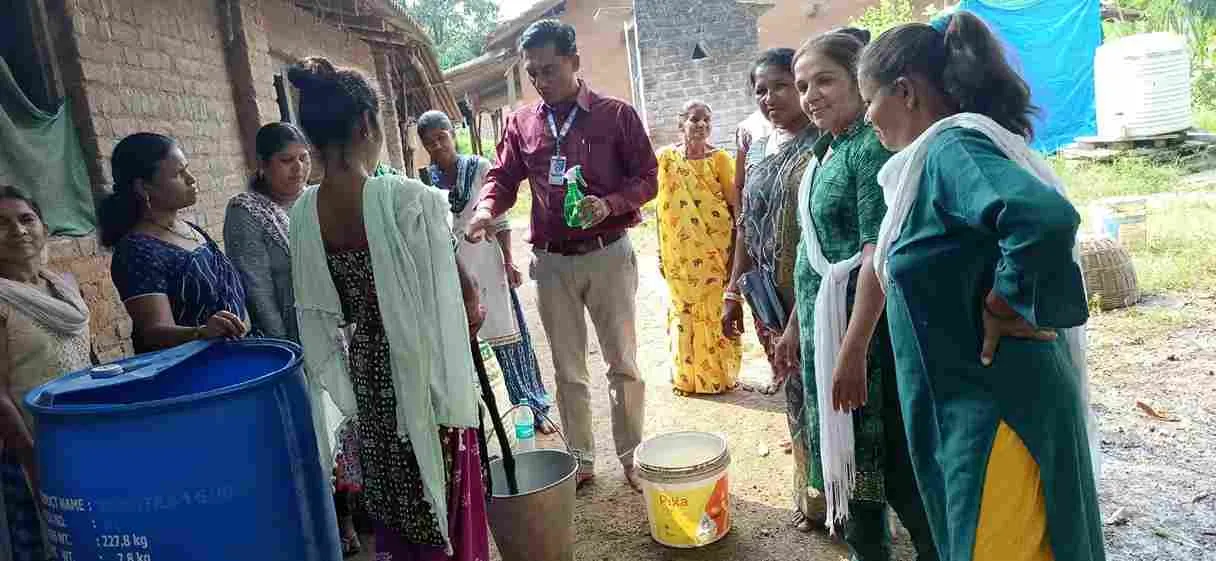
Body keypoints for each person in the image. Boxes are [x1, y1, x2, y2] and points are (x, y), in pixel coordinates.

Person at [859, 12, 1104, 561]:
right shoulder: (927, 165)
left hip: (999, 407)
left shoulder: (952, 149)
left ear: (904, 91)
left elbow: (1041, 218)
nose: (868, 116)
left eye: (869, 98)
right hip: (969, 405)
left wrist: (1003, 299)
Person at [286, 56, 488, 560]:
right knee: (439, 483)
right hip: (423, 367)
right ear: (365, 124)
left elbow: (318, 315)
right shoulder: (407, 200)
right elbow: (459, 299)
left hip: (370, 369)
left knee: (396, 489)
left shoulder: (306, 214)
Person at [465, 19, 656, 490]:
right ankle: (582, 459)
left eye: (549, 69)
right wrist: (486, 210)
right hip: (551, 262)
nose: (540, 81)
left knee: (623, 363)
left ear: (575, 61)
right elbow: (503, 178)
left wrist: (609, 204)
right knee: (568, 368)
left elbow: (648, 178)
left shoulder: (616, 115)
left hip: (608, 254)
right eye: (533, 73)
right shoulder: (523, 122)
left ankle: (632, 456)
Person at [790, 32, 937, 560]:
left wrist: (852, 350)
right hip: (824, 331)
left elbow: (879, 253)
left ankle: (928, 550)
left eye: (824, 79)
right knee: (851, 462)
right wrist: (793, 327)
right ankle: (866, 549)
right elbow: (814, 247)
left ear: (859, 79)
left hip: (865, 338)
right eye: (803, 85)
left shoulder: (868, 149)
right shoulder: (825, 151)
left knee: (889, 461)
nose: (810, 95)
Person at [222, 123, 363, 556]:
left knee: (347, 429)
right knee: (317, 436)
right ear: (262, 165)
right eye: (286, 160)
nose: (298, 168)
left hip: (339, 335)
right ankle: (331, 523)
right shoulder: (247, 211)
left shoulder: (315, 200)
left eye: (303, 158)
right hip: (295, 344)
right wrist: (288, 354)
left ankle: (354, 511)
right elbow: (256, 286)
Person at [721, 48, 824, 531]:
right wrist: (732, 291)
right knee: (795, 395)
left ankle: (834, 499)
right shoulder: (757, 144)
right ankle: (812, 495)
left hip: (813, 300)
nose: (769, 97)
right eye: (760, 89)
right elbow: (744, 222)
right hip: (767, 298)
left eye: (782, 85)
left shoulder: (824, 144)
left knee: (823, 397)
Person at [417, 110, 554, 432]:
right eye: (430, 143)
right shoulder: (425, 181)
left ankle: (533, 407)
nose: (438, 147)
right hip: (454, 269)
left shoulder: (478, 167)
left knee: (509, 337)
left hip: (487, 260)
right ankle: (486, 420)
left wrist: (508, 261)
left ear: (452, 133)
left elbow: (501, 218)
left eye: (442, 137)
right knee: (468, 342)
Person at [0, 186, 91, 561]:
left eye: (26, 219)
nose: (18, 230)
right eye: (1, 224)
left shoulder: (64, 287)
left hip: (84, 435)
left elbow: (87, 361)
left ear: (44, 226)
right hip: (31, 449)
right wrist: (35, 463)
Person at [100, 133, 248, 353]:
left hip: (238, 355)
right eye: (178, 174)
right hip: (195, 372)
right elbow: (154, 332)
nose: (191, 179)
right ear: (143, 187)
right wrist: (202, 332)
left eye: (186, 169)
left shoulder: (191, 230)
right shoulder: (137, 250)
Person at [655, 100, 741, 395]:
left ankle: (717, 378)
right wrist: (659, 250)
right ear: (681, 125)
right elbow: (661, 209)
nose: (701, 125)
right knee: (682, 310)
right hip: (678, 252)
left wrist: (734, 256)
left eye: (706, 120)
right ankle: (686, 378)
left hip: (714, 250)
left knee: (713, 311)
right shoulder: (666, 159)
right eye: (694, 120)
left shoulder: (720, 160)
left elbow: (734, 207)